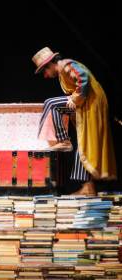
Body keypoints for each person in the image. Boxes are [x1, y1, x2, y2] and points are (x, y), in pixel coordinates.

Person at [32, 46, 117, 196]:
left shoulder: (66, 65)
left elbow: (83, 78)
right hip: (86, 104)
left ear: (50, 64)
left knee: (51, 104)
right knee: (84, 143)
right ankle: (88, 187)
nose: (45, 76)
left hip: (92, 103)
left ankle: (63, 140)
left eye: (45, 71)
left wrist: (75, 97)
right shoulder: (62, 72)